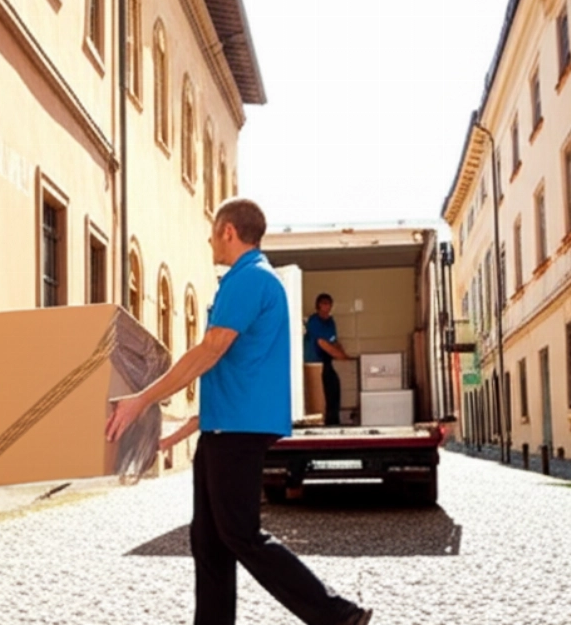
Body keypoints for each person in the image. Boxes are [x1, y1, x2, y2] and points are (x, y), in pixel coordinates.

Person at [106, 198, 372, 625]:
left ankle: (335, 614)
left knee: (240, 534)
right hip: (223, 428)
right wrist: (178, 432)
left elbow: (210, 353)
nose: (210, 240)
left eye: (214, 232)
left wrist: (141, 400)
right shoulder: (244, 281)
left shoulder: (249, 280)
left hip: (238, 431)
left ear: (228, 232)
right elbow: (230, 375)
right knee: (208, 541)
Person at [305, 293, 350, 426]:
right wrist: (340, 356)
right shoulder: (314, 321)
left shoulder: (330, 322)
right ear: (318, 306)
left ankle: (333, 420)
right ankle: (322, 422)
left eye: (328, 303)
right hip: (314, 362)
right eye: (323, 303)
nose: (326, 306)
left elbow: (334, 341)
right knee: (320, 394)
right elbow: (322, 343)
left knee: (334, 388)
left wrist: (344, 355)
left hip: (327, 361)